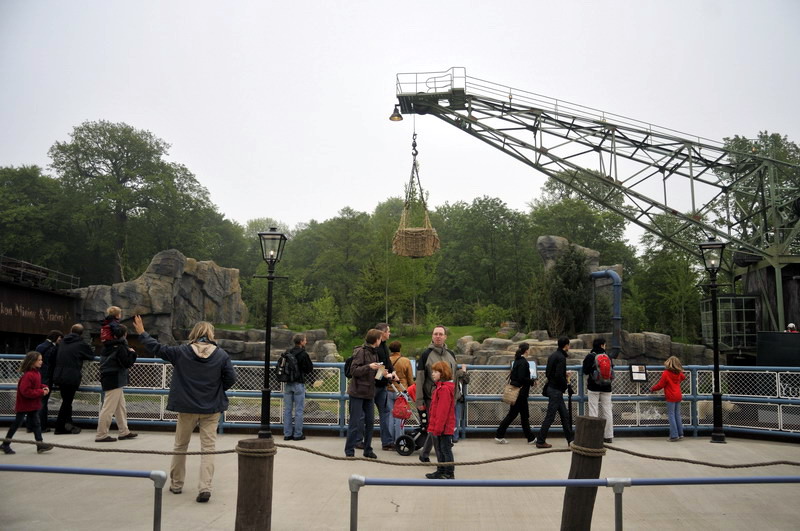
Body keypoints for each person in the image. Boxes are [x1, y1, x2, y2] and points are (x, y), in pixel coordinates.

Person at [133, 315, 237, 503]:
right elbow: (230, 378)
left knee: (181, 445)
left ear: (194, 334)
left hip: (186, 407)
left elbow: (158, 349)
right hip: (211, 408)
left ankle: (176, 484)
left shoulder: (181, 352)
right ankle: (205, 487)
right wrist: (216, 390)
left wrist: (142, 333)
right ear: (210, 334)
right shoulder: (221, 355)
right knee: (208, 448)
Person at [415, 325, 467, 462]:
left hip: (449, 396)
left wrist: (462, 374)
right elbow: (420, 379)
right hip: (431, 397)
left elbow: (453, 374)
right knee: (436, 427)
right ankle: (441, 462)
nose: (438, 336)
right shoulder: (426, 355)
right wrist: (419, 401)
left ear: (445, 337)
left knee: (438, 428)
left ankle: (425, 454)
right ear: (432, 336)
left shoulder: (451, 354)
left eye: (440, 334)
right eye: (435, 334)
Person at [1, 351, 53, 454]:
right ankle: (6, 444)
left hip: (31, 404)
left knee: (36, 423)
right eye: (39, 360)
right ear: (32, 362)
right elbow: (26, 391)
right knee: (18, 423)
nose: (41, 362)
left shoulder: (35, 373)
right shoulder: (29, 375)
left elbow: (35, 386)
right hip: (25, 404)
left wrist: (43, 387)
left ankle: (40, 444)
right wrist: (41, 392)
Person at [95, 324, 138, 443]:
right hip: (116, 378)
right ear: (125, 334)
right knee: (108, 408)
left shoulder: (106, 346)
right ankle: (101, 434)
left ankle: (124, 431)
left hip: (108, 377)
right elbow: (126, 363)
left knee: (120, 407)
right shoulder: (121, 347)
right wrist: (133, 354)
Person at [344, 329, 383, 459]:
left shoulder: (375, 353)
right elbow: (354, 370)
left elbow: (375, 375)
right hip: (357, 392)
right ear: (376, 339)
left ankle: (368, 449)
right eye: (380, 338)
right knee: (355, 422)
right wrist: (369, 367)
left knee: (370, 422)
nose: (381, 340)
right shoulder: (361, 351)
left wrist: (383, 374)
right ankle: (349, 450)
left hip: (369, 392)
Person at [52, 323, 95, 435]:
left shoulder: (62, 343)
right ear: (81, 333)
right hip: (71, 376)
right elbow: (91, 356)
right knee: (67, 402)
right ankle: (60, 427)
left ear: (71, 330)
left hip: (59, 375)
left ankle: (68, 424)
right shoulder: (80, 344)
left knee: (66, 400)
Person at [534, 336, 574, 448]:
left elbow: (549, 373)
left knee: (564, 416)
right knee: (551, 416)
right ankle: (540, 441)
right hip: (556, 390)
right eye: (568, 345)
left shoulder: (553, 356)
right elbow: (557, 375)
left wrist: (562, 375)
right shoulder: (561, 357)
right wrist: (565, 383)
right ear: (566, 345)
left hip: (552, 388)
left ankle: (571, 440)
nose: (569, 347)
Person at [495, 343, 536, 444]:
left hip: (518, 392)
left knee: (523, 415)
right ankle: (499, 435)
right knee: (515, 415)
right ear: (526, 350)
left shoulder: (517, 361)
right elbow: (522, 378)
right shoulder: (523, 362)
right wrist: (532, 381)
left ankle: (530, 437)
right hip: (520, 393)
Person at [425, 361, 455, 480]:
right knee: (440, 449)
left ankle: (448, 472)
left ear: (442, 373)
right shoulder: (440, 387)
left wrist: (437, 427)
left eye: (436, 372)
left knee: (445, 449)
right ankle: (441, 469)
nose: (433, 374)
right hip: (440, 425)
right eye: (433, 372)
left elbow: (443, 411)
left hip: (444, 427)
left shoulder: (444, 389)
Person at [582, 338, 614, 443]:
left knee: (593, 410)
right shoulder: (608, 356)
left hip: (593, 387)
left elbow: (585, 371)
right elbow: (611, 370)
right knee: (607, 411)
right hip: (607, 387)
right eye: (604, 345)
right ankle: (608, 435)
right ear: (602, 345)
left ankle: (593, 436)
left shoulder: (591, 356)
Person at [283, 333, 314, 441]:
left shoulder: (288, 352)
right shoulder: (303, 354)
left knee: (287, 410)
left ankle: (287, 434)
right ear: (301, 342)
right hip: (298, 384)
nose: (306, 342)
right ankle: (297, 434)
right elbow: (309, 368)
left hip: (288, 384)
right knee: (299, 410)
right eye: (305, 340)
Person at [373, 323, 398, 451]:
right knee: (365, 414)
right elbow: (377, 366)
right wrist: (384, 374)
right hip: (373, 386)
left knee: (386, 413)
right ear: (382, 333)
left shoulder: (384, 346)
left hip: (382, 386)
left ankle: (387, 441)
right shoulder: (375, 347)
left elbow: (387, 362)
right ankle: (359, 440)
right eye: (388, 331)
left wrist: (392, 371)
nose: (390, 333)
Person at [651, 356, 686, 442]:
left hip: (671, 396)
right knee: (677, 414)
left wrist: (652, 388)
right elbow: (683, 377)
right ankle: (680, 433)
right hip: (678, 395)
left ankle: (674, 435)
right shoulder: (679, 373)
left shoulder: (666, 373)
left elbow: (661, 385)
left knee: (671, 415)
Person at [33, 329, 62, 432]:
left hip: (38, 375)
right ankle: (41, 426)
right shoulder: (52, 348)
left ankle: (31, 425)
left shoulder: (40, 346)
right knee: (43, 401)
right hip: (46, 376)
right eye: (59, 338)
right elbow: (53, 362)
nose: (60, 340)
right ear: (55, 337)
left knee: (36, 400)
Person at [388, 340, 414, 440]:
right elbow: (410, 377)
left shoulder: (388, 360)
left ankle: (390, 439)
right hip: (402, 390)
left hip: (389, 389)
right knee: (400, 416)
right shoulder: (405, 361)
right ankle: (399, 439)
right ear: (400, 348)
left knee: (390, 415)